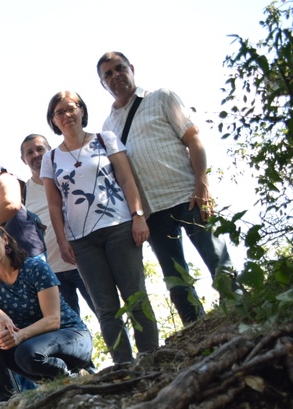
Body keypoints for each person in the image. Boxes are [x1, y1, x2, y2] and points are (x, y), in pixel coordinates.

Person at [98, 51, 232, 325]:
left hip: (188, 195)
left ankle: (239, 308)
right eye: (108, 74)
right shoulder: (107, 128)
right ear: (103, 84)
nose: (115, 76)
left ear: (131, 68)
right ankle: (195, 330)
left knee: (217, 258)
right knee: (176, 281)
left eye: (119, 68)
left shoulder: (161, 97)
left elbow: (193, 139)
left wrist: (202, 185)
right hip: (152, 212)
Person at [40, 90, 159, 365]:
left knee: (135, 295)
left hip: (119, 227)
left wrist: (138, 215)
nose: (66, 115)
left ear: (82, 110)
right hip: (82, 241)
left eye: (71, 108)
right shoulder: (51, 159)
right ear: (53, 120)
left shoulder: (105, 139)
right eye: (59, 112)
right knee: (106, 307)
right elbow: (55, 205)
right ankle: (124, 365)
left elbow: (127, 179)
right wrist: (62, 241)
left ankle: (152, 356)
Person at [0, 219, 93, 400]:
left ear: (5, 240)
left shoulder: (35, 267)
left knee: (26, 353)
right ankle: (6, 400)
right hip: (30, 349)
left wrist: (20, 336)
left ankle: (74, 377)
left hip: (70, 337)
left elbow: (53, 320)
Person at [20, 133, 94, 316]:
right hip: (52, 273)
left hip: (83, 261)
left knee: (106, 312)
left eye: (40, 149)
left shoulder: (67, 178)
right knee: (70, 325)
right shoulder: (22, 192)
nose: (36, 154)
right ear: (23, 159)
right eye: (29, 152)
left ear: (50, 150)